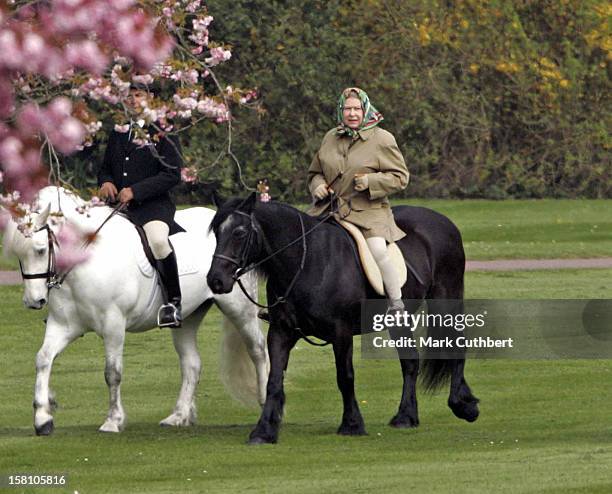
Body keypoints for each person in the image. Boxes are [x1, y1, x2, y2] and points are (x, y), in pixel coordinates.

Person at [307, 87, 409, 312]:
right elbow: (315, 173)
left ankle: (396, 303)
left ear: (365, 109)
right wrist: (318, 186)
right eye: (347, 109)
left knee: (378, 251)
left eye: (357, 109)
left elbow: (401, 178)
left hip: (369, 212)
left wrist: (371, 182)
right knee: (299, 244)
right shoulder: (330, 136)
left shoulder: (383, 138)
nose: (352, 114)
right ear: (340, 111)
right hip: (328, 209)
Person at [97, 122, 184, 327]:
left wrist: (136, 191)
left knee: (158, 241)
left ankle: (173, 303)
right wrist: (106, 181)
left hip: (152, 206)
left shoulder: (165, 131)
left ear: (149, 96)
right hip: (118, 206)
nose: (132, 98)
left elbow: (172, 175)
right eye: (129, 94)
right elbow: (106, 168)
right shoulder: (118, 130)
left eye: (137, 94)